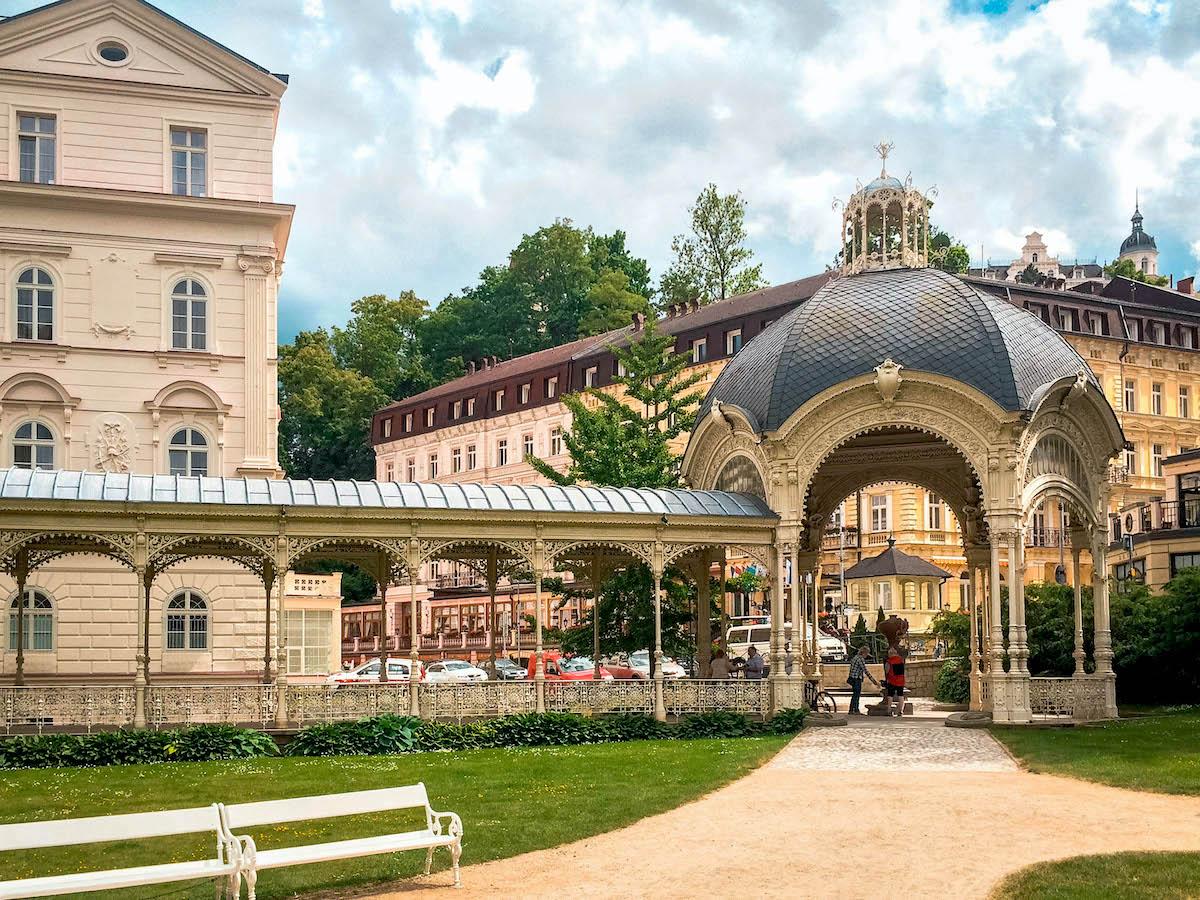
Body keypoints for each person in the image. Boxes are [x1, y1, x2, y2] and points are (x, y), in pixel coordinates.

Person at [846, 645, 879, 715]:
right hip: (856, 679)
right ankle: (856, 710)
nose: (866, 656)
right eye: (866, 654)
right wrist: (874, 681)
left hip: (852, 678)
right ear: (864, 653)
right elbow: (865, 670)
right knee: (856, 695)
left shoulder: (855, 657)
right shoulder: (860, 659)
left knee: (855, 694)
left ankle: (852, 709)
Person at [885, 645, 906, 717]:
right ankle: (901, 710)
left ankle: (889, 710)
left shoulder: (889, 661)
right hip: (901, 680)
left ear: (890, 654)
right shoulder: (901, 660)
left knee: (890, 695)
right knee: (901, 695)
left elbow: (887, 671)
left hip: (892, 680)